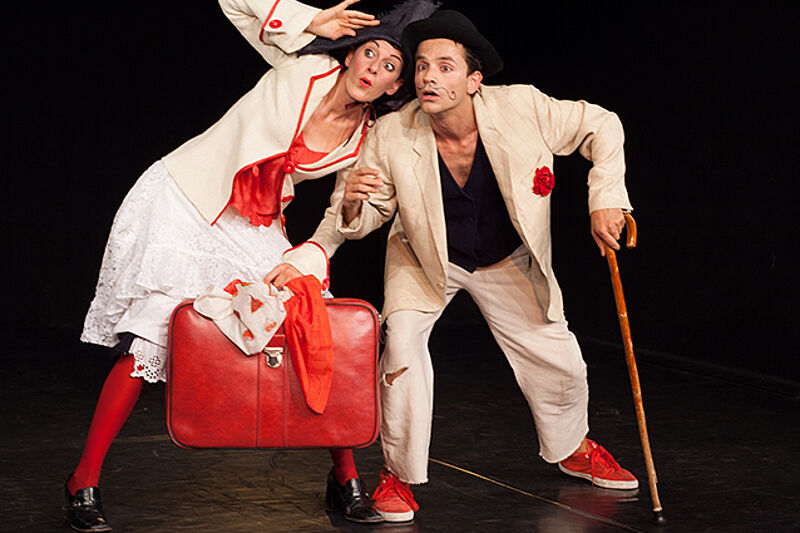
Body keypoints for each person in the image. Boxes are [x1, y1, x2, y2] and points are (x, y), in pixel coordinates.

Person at [65, 0, 438, 530]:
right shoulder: (305, 66)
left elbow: (340, 218)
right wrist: (311, 21)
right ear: (351, 54)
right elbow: (234, 3)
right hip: (189, 200)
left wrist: (352, 203)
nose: (373, 68)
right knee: (151, 335)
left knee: (316, 326)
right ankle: (83, 481)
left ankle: (345, 479)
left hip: (253, 222)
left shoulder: (365, 138)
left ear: (393, 86)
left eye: (389, 66)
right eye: (369, 54)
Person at [281, 8, 639, 523]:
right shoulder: (392, 133)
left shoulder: (523, 107)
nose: (428, 77)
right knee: (401, 352)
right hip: (425, 259)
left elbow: (602, 125)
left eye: (445, 67)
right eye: (423, 66)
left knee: (560, 361)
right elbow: (361, 219)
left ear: (474, 80)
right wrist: (356, 204)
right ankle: (398, 475)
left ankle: (572, 448)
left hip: (506, 256)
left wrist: (605, 198)